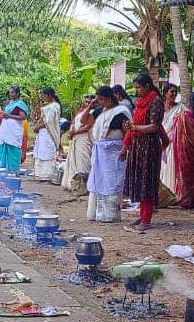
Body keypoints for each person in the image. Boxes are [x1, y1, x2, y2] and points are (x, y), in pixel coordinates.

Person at [121, 73, 166, 231]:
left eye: (139, 87)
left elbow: (154, 126)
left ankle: (147, 219)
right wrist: (130, 129)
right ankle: (142, 214)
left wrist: (134, 127)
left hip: (149, 147)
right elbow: (136, 123)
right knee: (139, 180)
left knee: (147, 180)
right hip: (137, 145)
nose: (137, 90)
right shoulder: (140, 102)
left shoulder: (156, 101)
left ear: (147, 86)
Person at [87, 86, 131, 222]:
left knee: (112, 182)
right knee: (99, 181)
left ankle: (111, 215)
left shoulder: (121, 112)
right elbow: (85, 121)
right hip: (101, 153)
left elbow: (128, 132)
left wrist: (125, 148)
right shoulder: (100, 111)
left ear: (109, 98)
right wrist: (90, 106)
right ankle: (98, 214)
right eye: (98, 99)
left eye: (101, 99)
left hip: (114, 153)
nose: (99, 102)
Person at [63, 94, 96, 194]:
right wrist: (71, 130)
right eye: (86, 101)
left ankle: (84, 187)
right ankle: (75, 185)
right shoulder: (81, 111)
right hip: (76, 139)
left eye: (89, 101)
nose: (87, 103)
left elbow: (88, 127)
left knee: (84, 161)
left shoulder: (93, 112)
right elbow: (73, 122)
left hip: (85, 139)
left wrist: (75, 132)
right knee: (75, 161)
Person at [0, 86, 29, 173]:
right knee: (3, 148)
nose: (11, 94)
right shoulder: (9, 102)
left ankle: (13, 172)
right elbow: (5, 113)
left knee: (13, 150)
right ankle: (2, 170)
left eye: (13, 92)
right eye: (10, 92)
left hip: (14, 130)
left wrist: (9, 116)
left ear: (17, 93)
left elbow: (23, 117)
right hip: (6, 130)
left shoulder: (20, 104)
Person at [159, 83, 184, 204]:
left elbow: (186, 124)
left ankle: (172, 193)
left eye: (175, 92)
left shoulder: (181, 108)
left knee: (170, 166)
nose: (174, 94)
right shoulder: (159, 107)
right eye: (171, 92)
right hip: (158, 140)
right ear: (165, 94)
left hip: (173, 142)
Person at [33, 87, 63, 180]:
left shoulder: (54, 106)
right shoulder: (51, 106)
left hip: (48, 134)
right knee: (41, 152)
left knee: (47, 153)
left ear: (50, 95)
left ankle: (47, 175)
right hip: (43, 134)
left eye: (45, 95)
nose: (44, 97)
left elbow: (48, 122)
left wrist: (38, 126)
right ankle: (40, 174)